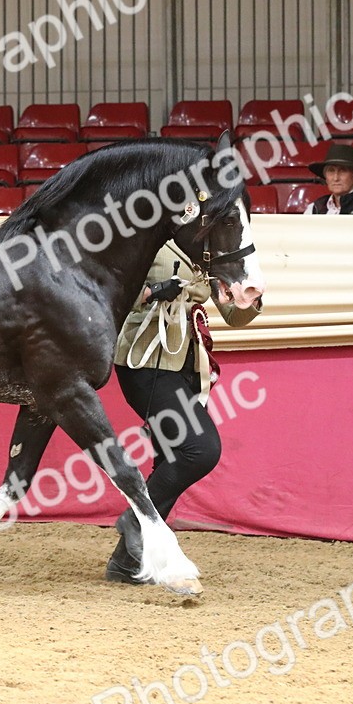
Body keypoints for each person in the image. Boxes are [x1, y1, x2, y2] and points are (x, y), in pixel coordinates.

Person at [105, 242, 262, 583]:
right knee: (200, 450)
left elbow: (234, 313)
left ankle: (127, 563)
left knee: (170, 458)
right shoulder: (148, 237)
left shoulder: (206, 251)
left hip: (187, 363)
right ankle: (136, 520)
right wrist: (152, 292)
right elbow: (111, 294)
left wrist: (251, 296)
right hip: (145, 359)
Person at [303, 142, 353, 215]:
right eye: (331, 171)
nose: (335, 178)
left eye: (343, 171)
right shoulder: (315, 207)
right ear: (326, 177)